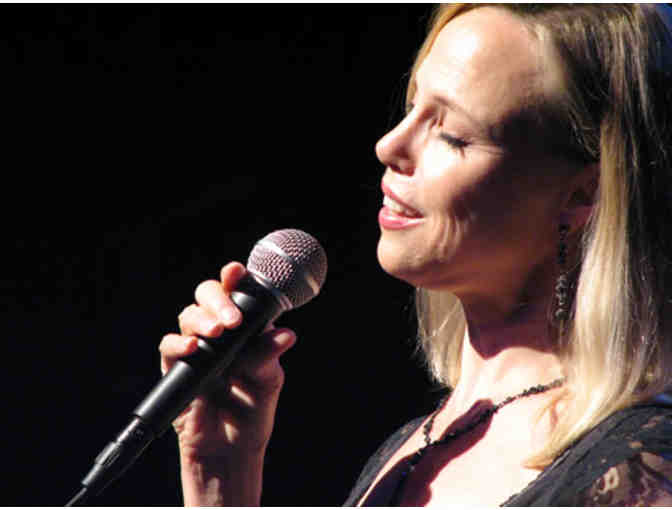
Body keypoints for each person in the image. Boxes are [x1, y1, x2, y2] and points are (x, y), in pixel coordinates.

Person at [159, 4, 672, 506]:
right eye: (411, 108)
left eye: (452, 135)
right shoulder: (408, 447)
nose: (389, 146)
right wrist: (220, 476)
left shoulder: (640, 475)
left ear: (582, 194)